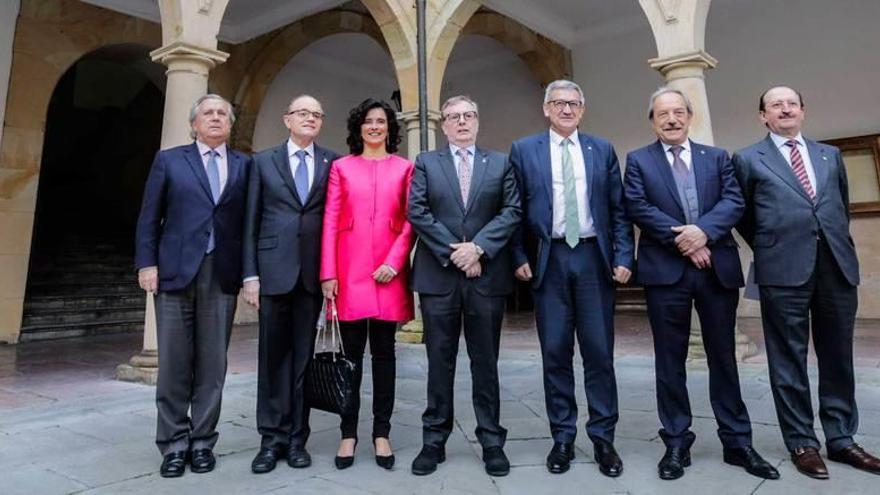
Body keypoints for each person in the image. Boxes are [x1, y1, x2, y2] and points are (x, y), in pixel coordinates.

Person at [623, 87, 778, 481]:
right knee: (669, 361)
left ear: (690, 116)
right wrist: (686, 241)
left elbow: (733, 201)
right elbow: (638, 206)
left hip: (716, 269)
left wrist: (703, 233)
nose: (671, 119)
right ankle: (676, 441)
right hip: (665, 273)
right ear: (653, 120)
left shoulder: (718, 158)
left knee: (723, 356)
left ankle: (737, 441)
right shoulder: (638, 161)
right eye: (663, 114)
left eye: (678, 112)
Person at [733, 86, 880, 479]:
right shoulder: (748, 159)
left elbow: (838, 206)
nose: (785, 109)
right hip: (782, 270)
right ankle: (802, 442)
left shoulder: (828, 155)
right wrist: (774, 245)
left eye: (792, 103)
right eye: (775, 104)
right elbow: (744, 215)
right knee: (788, 360)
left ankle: (842, 439)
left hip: (835, 266)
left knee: (838, 357)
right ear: (763, 116)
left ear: (803, 111)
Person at [509, 79, 634, 477]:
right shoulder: (524, 150)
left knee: (599, 353)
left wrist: (623, 254)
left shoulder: (602, 149)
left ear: (583, 109)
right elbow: (513, 208)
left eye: (574, 103)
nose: (566, 109)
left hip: (594, 259)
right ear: (546, 108)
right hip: (550, 258)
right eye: (559, 103)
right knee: (556, 353)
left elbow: (618, 209)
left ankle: (603, 437)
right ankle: (562, 436)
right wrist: (517, 255)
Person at [135, 94, 251, 477]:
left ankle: (202, 442)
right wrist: (146, 263)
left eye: (222, 114)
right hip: (173, 272)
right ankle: (172, 445)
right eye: (208, 113)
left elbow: (249, 226)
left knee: (212, 364)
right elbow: (150, 215)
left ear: (230, 125)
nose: (216, 118)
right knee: (173, 363)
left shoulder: (243, 166)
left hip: (222, 273)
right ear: (194, 124)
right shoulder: (169, 160)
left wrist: (250, 274)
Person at [408, 96, 521, 477]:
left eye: (468, 116)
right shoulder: (426, 162)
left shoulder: (500, 162)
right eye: (454, 117)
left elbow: (511, 211)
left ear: (477, 121)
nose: (461, 123)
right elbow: (417, 210)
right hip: (439, 278)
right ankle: (433, 441)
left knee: (485, 363)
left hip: (485, 277)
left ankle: (492, 440)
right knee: (439, 362)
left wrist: (479, 250)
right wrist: (455, 252)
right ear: (443, 125)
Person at [242, 95, 341, 474]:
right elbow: (250, 221)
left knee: (304, 362)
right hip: (272, 273)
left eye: (317, 114)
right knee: (272, 360)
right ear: (287, 119)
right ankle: (271, 440)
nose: (310, 119)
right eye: (303, 113)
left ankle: (298, 439)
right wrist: (250, 275)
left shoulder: (333, 162)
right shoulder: (263, 161)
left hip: (314, 276)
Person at [320, 98, 415, 471]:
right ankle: (348, 433)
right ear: (358, 128)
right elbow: (330, 221)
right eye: (368, 121)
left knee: (386, 356)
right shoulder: (341, 168)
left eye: (381, 121)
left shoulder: (404, 168)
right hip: (349, 272)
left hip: (388, 274)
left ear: (390, 129)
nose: (375, 126)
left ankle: (381, 432)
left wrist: (394, 262)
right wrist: (328, 273)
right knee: (350, 359)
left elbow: (411, 220)